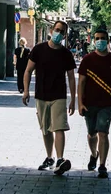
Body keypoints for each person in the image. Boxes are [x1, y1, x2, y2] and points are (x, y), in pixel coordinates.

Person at [23, 21, 76, 175]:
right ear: (52, 30)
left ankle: (60, 159)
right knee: (46, 129)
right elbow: (28, 71)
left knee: (59, 127)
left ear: (65, 35)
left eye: (62, 32)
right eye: (57, 30)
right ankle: (50, 157)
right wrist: (26, 91)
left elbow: (72, 78)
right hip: (41, 95)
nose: (59, 33)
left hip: (59, 96)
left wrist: (73, 99)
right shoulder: (39, 49)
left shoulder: (66, 54)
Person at [78, 28, 111, 178]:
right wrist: (79, 103)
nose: (100, 41)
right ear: (93, 41)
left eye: (103, 38)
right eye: (97, 38)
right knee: (91, 134)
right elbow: (81, 82)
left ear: (108, 41)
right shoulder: (87, 59)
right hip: (89, 102)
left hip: (107, 103)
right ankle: (94, 154)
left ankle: (102, 165)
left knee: (103, 132)